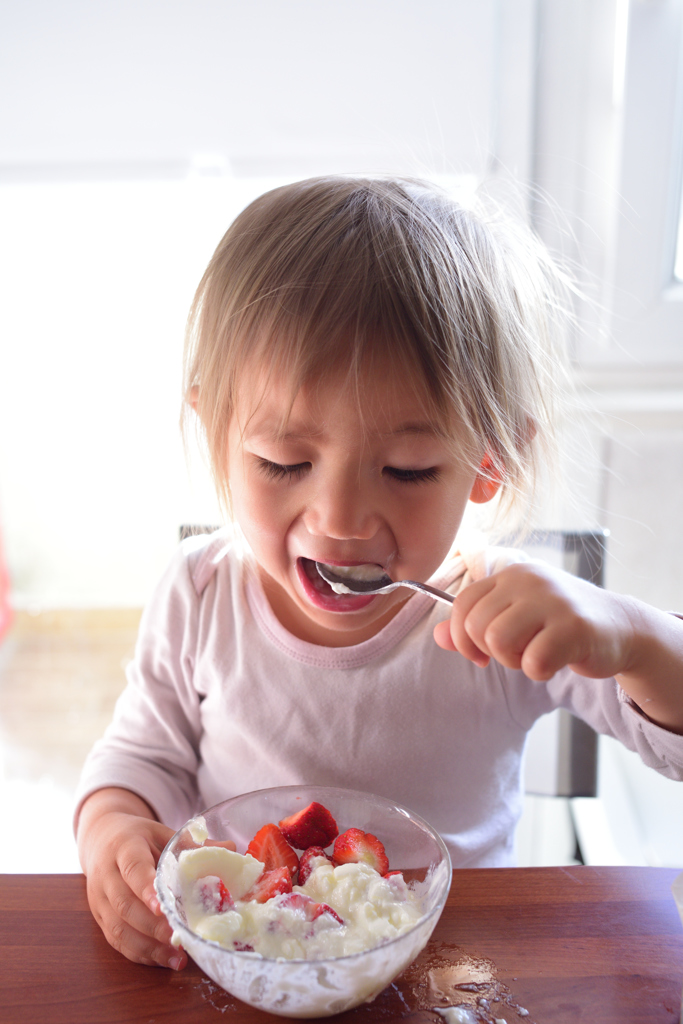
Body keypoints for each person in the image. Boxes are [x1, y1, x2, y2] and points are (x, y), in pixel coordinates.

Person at [75, 176, 683, 972]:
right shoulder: (199, 594)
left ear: (488, 462)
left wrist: (633, 639)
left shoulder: (502, 616)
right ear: (217, 433)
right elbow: (138, 761)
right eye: (282, 461)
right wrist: (113, 835)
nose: (339, 520)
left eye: (404, 470)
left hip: (455, 970)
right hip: (247, 959)